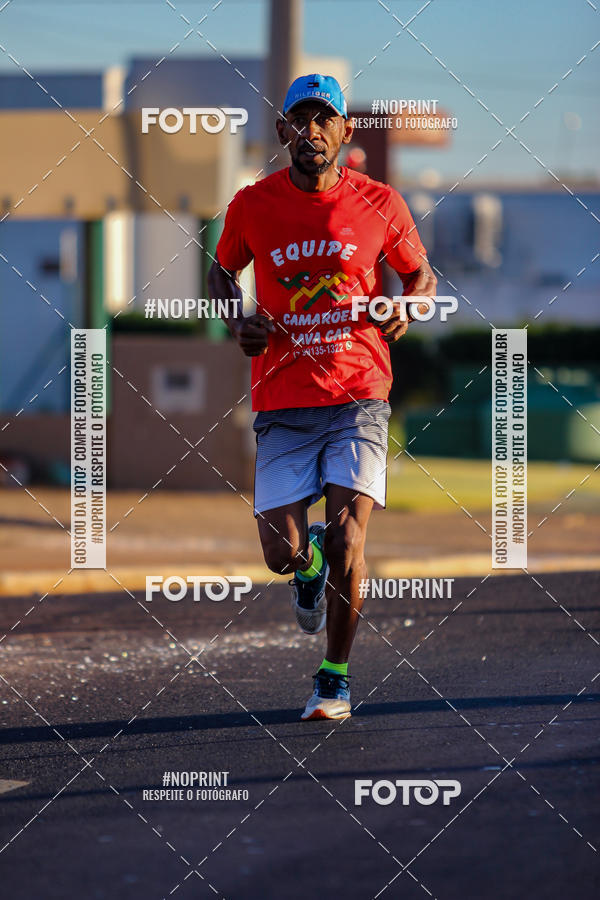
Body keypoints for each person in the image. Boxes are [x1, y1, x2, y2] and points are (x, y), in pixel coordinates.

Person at [208, 74, 436, 721]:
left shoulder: (380, 203)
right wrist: (236, 318)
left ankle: (333, 679)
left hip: (359, 392)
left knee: (346, 542)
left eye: (324, 119)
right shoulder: (252, 205)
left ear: (345, 131)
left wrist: (408, 306)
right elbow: (222, 270)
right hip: (282, 396)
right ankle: (305, 569)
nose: (311, 131)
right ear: (282, 132)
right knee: (283, 552)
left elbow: (421, 274)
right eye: (299, 120)